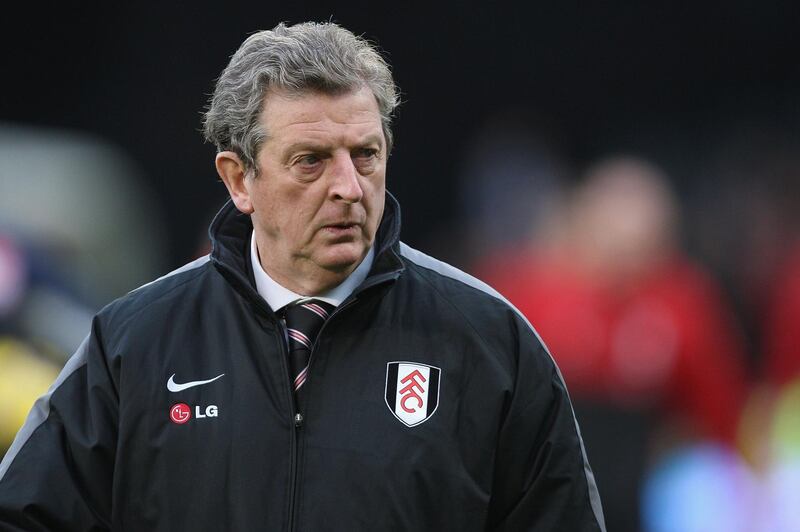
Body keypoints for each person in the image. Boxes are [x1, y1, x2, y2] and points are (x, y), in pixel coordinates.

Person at [0, 22, 605, 531]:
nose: (348, 187)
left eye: (365, 155)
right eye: (310, 161)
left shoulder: (489, 340)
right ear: (239, 179)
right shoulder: (135, 342)